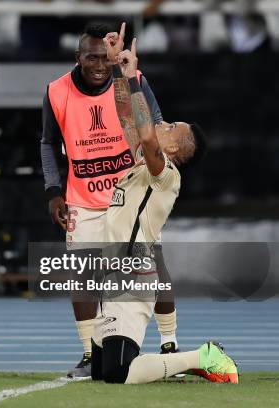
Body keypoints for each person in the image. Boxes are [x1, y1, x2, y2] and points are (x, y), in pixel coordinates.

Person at [90, 33, 237, 385]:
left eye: (172, 128)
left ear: (178, 150)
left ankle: (202, 356)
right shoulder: (145, 164)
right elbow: (128, 119)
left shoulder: (166, 174)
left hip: (133, 274)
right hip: (111, 270)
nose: (164, 124)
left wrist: (134, 78)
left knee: (118, 373)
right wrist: (116, 69)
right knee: (99, 371)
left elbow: (143, 132)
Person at [40, 22, 178, 380]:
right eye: (92, 58)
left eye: (105, 58)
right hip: (82, 199)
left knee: (155, 269)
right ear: (78, 57)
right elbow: (47, 144)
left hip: (130, 198)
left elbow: (157, 123)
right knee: (83, 278)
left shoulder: (132, 79)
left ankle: (169, 343)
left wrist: (158, 176)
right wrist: (53, 190)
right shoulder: (56, 92)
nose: (100, 64)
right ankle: (89, 355)